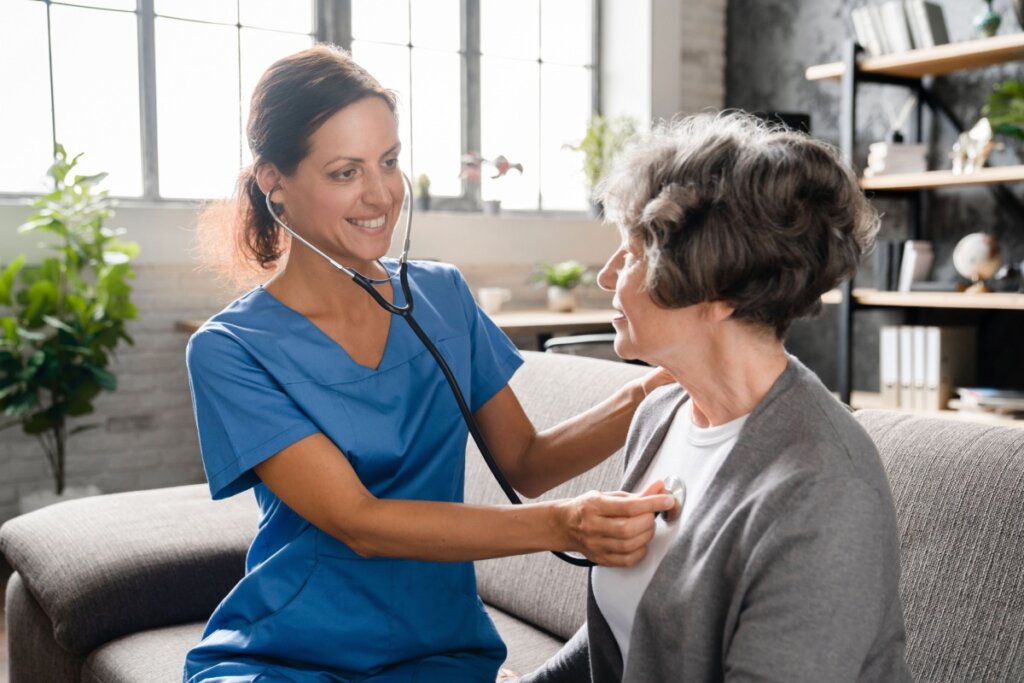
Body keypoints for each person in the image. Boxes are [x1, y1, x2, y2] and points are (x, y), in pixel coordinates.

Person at [182, 44, 677, 683]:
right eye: (344, 172)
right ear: (274, 180)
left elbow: (526, 461)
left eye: (388, 162)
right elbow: (359, 522)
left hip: (442, 655)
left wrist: (656, 387)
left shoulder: (440, 295)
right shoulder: (231, 349)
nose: (379, 194)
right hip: (288, 658)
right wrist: (565, 525)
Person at [519, 112, 912, 682]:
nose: (606, 277)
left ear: (718, 289)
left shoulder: (824, 491)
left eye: (631, 255)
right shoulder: (661, 413)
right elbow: (628, 623)